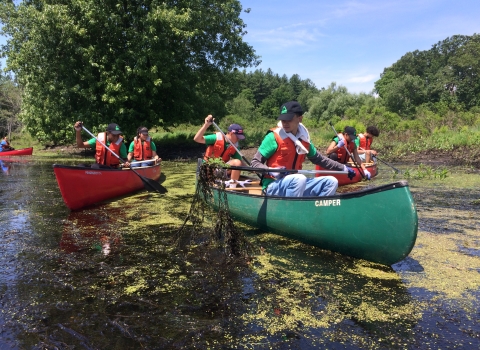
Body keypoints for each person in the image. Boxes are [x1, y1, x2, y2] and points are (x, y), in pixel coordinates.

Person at [250, 101, 357, 197]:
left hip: (296, 184)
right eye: (283, 119)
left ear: (300, 119)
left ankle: (316, 213)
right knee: (299, 178)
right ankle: (290, 212)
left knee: (331, 181)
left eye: (289, 119)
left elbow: (321, 160)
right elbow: (255, 163)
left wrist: (343, 168)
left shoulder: (304, 141)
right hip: (273, 185)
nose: (285, 122)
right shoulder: (273, 137)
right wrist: (271, 171)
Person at [194, 115, 247, 186]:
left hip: (221, 170)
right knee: (210, 168)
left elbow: (240, 163)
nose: (238, 139)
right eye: (237, 137)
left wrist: (252, 169)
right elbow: (197, 139)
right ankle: (213, 183)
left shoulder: (235, 146)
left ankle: (232, 188)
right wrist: (206, 125)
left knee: (237, 162)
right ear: (231, 133)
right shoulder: (216, 138)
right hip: (208, 169)